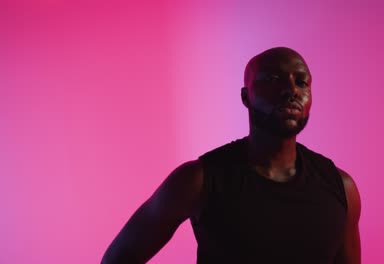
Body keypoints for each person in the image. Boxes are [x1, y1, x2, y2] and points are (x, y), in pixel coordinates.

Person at [101, 47, 361, 264]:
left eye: (301, 82)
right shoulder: (198, 180)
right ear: (245, 96)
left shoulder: (340, 187)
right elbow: (119, 259)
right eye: (273, 79)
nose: (291, 90)